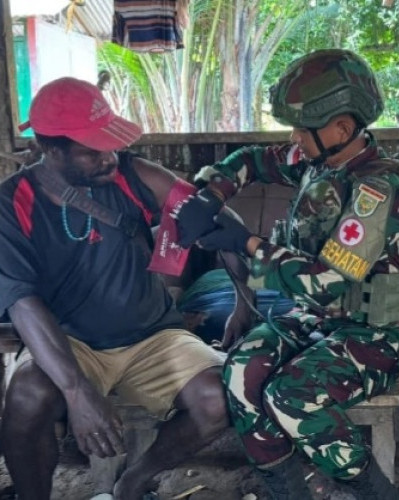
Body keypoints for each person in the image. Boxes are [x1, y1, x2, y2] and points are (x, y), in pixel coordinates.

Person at [174, 49, 399, 499]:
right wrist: (213, 192)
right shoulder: (319, 162)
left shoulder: (376, 191)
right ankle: (286, 488)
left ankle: (370, 489)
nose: (293, 137)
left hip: (375, 334)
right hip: (316, 319)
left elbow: (328, 282)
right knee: (241, 370)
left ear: (342, 129)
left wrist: (245, 242)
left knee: (291, 394)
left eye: (301, 128)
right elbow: (254, 160)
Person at [0, 77, 229, 499]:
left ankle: (134, 481)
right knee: (27, 396)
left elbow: (212, 216)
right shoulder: (13, 203)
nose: (109, 157)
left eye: (110, 143)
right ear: (51, 150)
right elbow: (22, 303)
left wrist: (244, 303)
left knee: (219, 398)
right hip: (70, 343)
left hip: (154, 336)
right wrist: (77, 390)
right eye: (92, 150)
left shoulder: (132, 173)